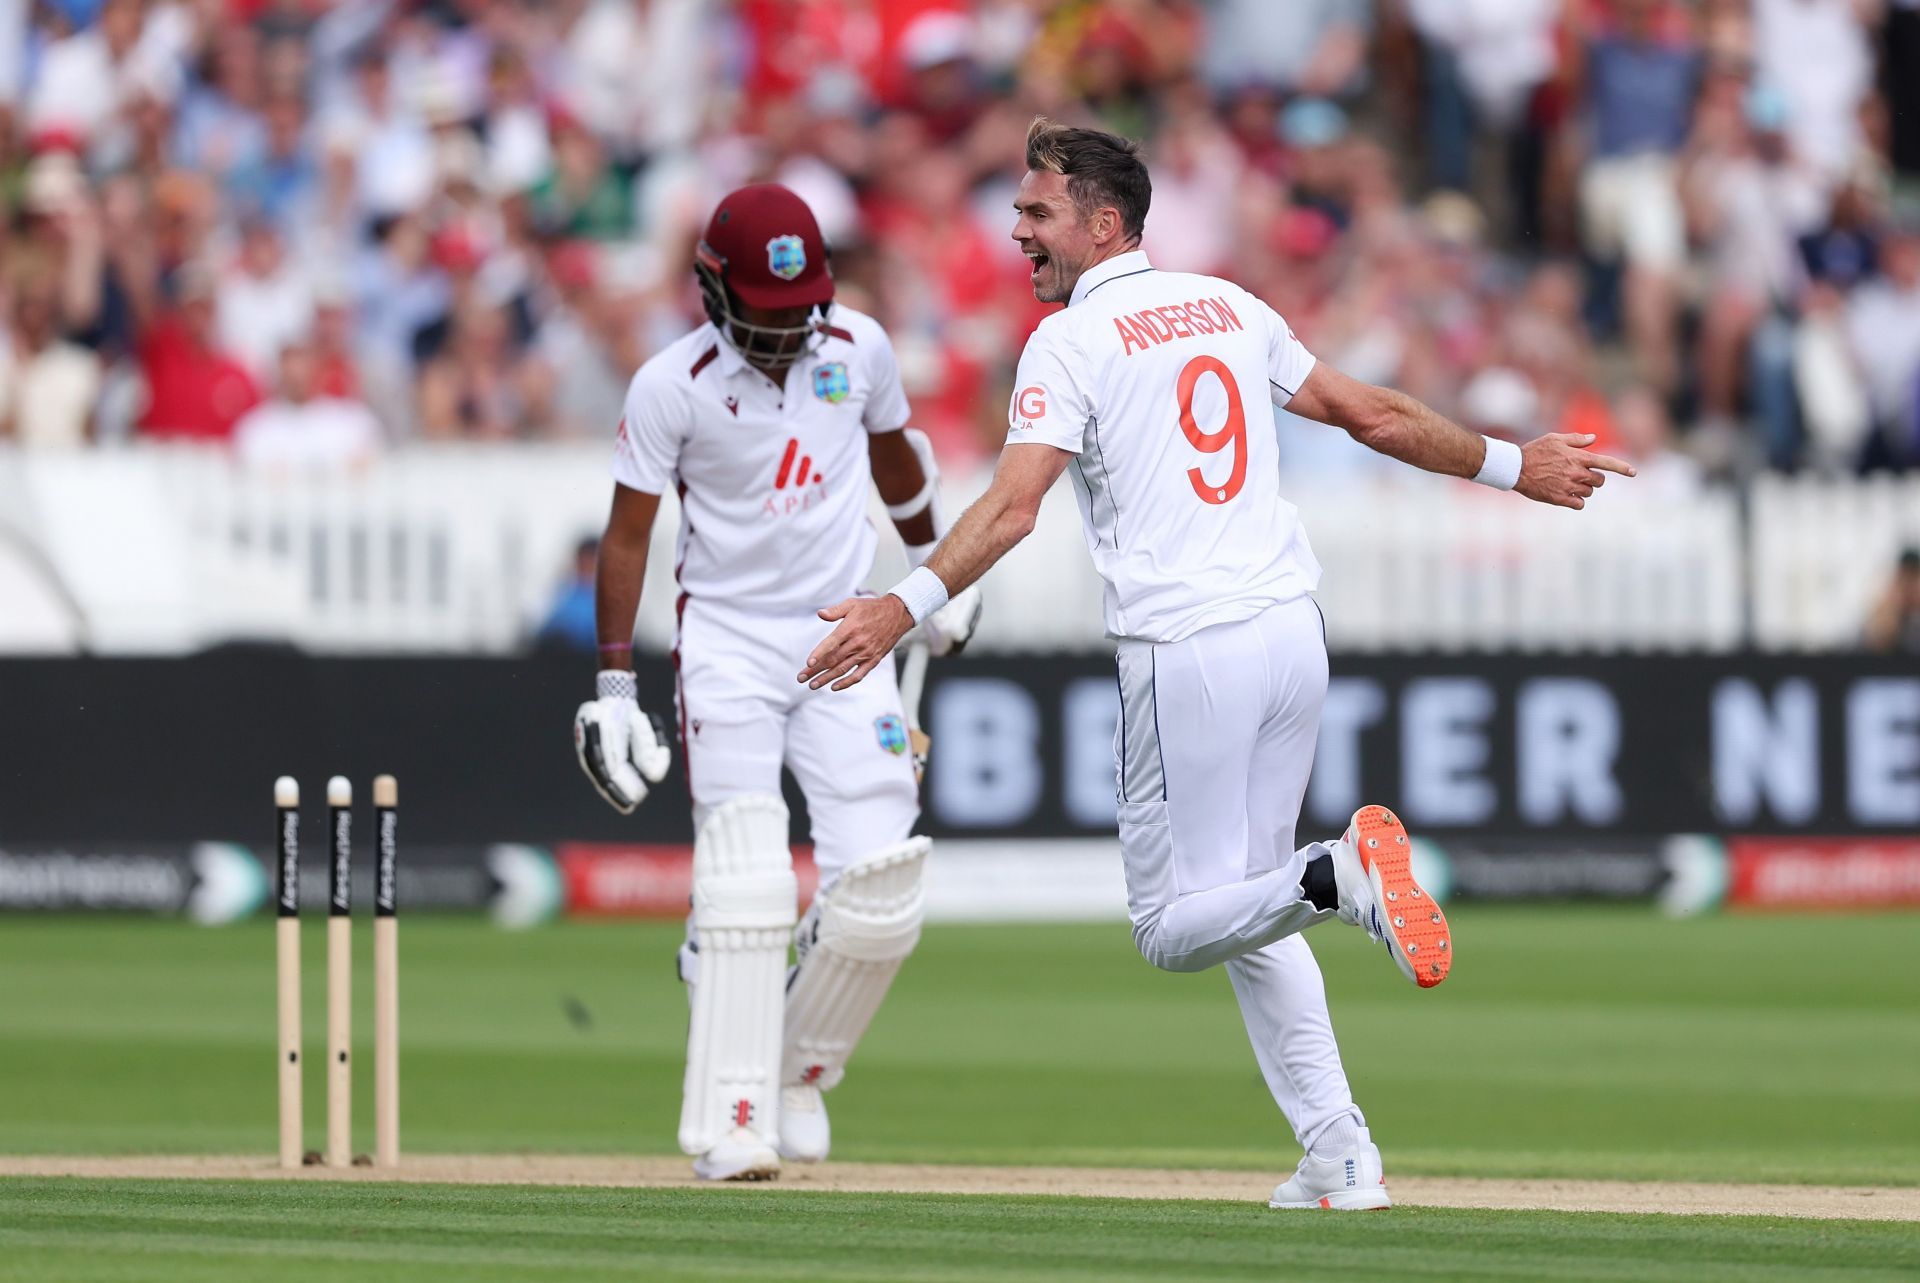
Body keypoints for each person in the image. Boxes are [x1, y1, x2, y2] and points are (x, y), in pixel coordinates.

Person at [799, 120, 1632, 1211]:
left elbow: (1012, 507)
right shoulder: (1230, 306)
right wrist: (1516, 463)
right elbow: (1367, 413)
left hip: (1185, 645)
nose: (1018, 232)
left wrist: (895, 607)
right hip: (1291, 629)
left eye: (1037, 213)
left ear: (1104, 223)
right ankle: (1339, 1152)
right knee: (1249, 901)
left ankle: (1339, 877)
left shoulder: (1069, 342)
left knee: (1170, 926)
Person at [572, 184, 982, 1182]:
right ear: (711, 289)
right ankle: (731, 1119)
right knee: (749, 875)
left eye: (803, 306)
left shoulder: (858, 348)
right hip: (727, 638)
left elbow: (897, 460)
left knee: (881, 892)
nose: (789, 327)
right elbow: (629, 536)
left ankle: (798, 1064)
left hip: (847, 628)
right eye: (765, 306)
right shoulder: (672, 384)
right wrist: (615, 684)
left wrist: (934, 575)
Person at [1865, 548, 1920, 655]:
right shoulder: (1887, 605)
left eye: (1913, 578)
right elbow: (1878, 643)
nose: (1908, 586)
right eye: (1905, 578)